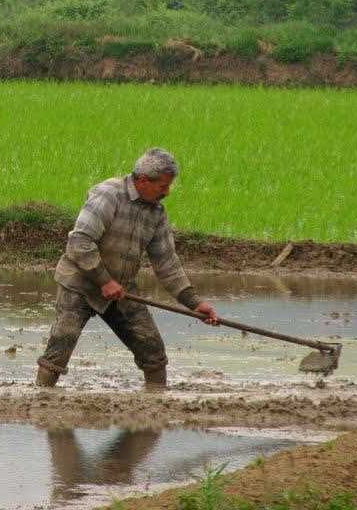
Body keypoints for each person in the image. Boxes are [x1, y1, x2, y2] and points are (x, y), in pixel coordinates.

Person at [36, 147, 220, 390]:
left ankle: (156, 401)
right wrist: (104, 281)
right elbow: (79, 242)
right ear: (143, 180)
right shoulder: (109, 195)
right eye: (163, 186)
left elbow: (166, 263)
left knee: (153, 352)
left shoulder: (156, 213)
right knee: (60, 346)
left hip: (122, 289)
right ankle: (41, 398)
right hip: (80, 283)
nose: (167, 192)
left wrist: (194, 303)